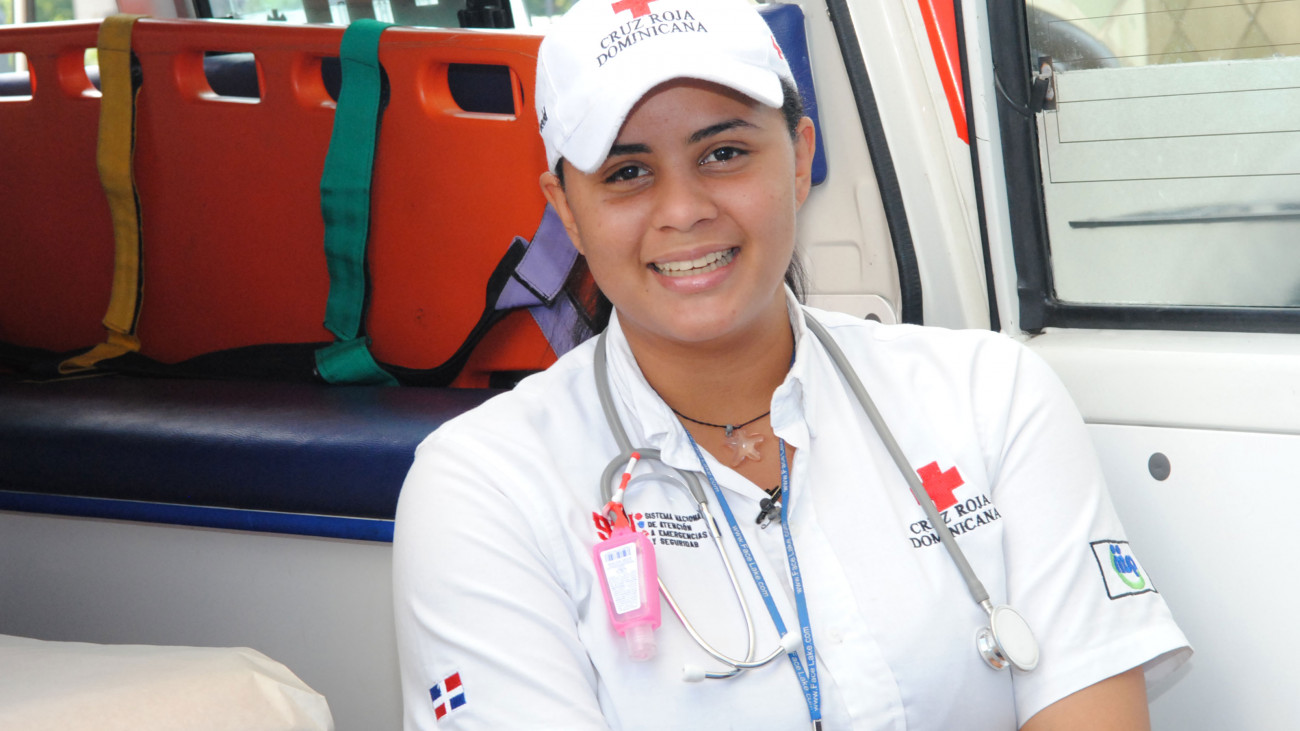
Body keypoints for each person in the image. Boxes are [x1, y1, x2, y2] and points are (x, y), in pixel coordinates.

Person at [392, 0, 1191, 728]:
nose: (684, 210)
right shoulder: (485, 486)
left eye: (724, 152)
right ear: (566, 208)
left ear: (801, 157)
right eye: (628, 172)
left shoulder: (987, 395)